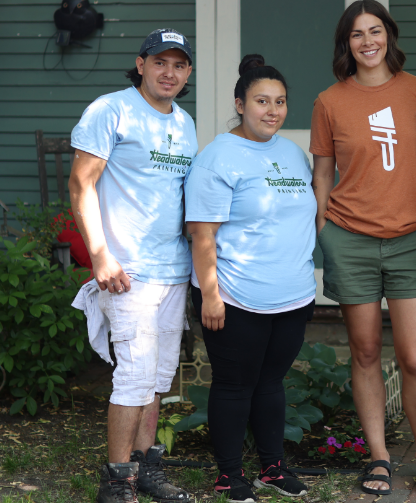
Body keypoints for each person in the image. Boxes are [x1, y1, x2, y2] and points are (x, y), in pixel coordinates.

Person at [310, 0, 416, 495]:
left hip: (411, 239)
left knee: (414, 356)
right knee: (365, 351)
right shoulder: (329, 101)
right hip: (350, 238)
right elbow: (323, 174)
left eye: (375, 31)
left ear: (390, 34)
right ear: (346, 44)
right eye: (356, 35)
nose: (367, 42)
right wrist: (322, 230)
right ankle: (379, 457)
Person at [69, 28, 197, 503]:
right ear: (140, 64)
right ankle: (116, 481)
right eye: (160, 62)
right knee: (134, 375)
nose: (169, 72)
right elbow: (80, 185)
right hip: (127, 269)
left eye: (179, 65)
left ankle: (146, 469)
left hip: (173, 269)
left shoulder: (185, 123)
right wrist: (100, 254)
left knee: (159, 377)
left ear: (187, 74)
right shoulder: (111, 110)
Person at [185, 55, 315, 503]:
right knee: (234, 386)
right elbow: (202, 233)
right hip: (237, 298)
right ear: (240, 104)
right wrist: (211, 296)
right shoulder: (217, 157)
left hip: (293, 297)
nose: (273, 110)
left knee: (271, 385)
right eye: (262, 101)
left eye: (280, 101)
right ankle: (228, 475)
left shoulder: (292, 152)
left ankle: (273, 468)